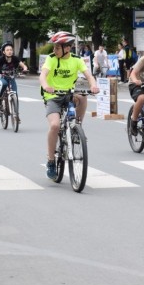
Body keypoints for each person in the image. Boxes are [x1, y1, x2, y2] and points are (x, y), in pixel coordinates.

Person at [39, 31, 99, 180]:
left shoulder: (77, 60)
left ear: (67, 48)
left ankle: (77, 128)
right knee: (55, 126)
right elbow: (43, 75)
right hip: (53, 95)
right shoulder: (51, 59)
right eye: (54, 47)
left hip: (68, 93)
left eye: (57, 47)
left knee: (82, 96)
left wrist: (93, 85)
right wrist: (46, 86)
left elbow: (89, 75)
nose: (54, 50)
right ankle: (51, 161)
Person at [0, 42, 28, 108]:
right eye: (7, 50)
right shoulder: (1, 59)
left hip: (11, 78)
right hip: (2, 78)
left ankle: (16, 115)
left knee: (15, 94)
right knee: (4, 84)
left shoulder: (15, 58)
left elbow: (24, 66)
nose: (9, 51)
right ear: (4, 52)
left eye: (11, 50)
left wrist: (24, 70)